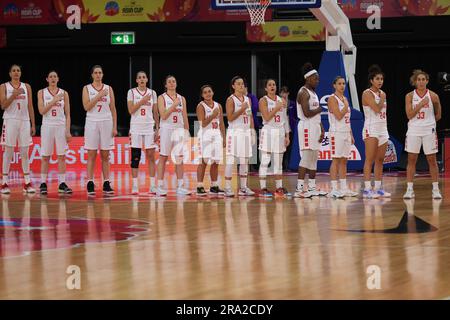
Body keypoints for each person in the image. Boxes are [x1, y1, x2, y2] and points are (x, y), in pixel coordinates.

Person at [403, 69, 442, 199]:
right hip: (413, 130)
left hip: (428, 130)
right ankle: (409, 189)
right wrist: (420, 105)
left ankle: (435, 189)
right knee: (411, 160)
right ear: (415, 82)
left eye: (423, 79)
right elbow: (409, 115)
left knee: (432, 160)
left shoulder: (434, 96)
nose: (421, 82)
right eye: (418, 80)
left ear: (427, 81)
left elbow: (438, 115)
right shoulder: (409, 96)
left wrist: (428, 122)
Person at [0, 64, 36, 194]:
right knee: (8, 151)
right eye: (14, 71)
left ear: (20, 73)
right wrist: (13, 95)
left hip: (25, 121)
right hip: (10, 120)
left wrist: (33, 124)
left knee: (25, 152)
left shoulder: (27, 87)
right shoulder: (4, 86)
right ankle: (4, 182)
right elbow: (3, 105)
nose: (16, 72)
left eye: (18, 70)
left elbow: (30, 106)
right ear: (10, 73)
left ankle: (27, 182)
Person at [82, 65, 117, 195]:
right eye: (95, 73)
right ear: (92, 75)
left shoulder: (109, 88)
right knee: (91, 154)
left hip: (106, 122)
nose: (98, 75)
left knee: (105, 155)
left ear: (102, 75)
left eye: (100, 73)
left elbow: (113, 108)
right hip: (92, 121)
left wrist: (114, 126)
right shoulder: (86, 88)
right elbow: (87, 106)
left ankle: (106, 182)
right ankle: (90, 182)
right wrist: (99, 95)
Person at [294, 63, 327, 198]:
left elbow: (316, 116)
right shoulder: (303, 92)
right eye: (315, 78)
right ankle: (300, 188)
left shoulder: (313, 93)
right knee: (306, 157)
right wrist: (320, 109)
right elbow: (307, 113)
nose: (317, 81)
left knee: (314, 158)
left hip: (315, 126)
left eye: (318, 78)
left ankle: (312, 187)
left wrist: (322, 129)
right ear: (308, 78)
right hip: (306, 126)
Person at [38, 70, 72, 194]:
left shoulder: (64, 93)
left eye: (55, 76)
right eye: (50, 77)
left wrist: (68, 131)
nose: (53, 78)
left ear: (58, 79)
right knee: (45, 156)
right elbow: (41, 111)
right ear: (47, 79)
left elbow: (68, 114)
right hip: (47, 126)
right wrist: (53, 100)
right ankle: (43, 183)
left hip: (60, 126)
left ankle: (62, 183)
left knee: (61, 156)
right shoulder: (41, 92)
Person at [156, 75, 191, 196]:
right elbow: (163, 115)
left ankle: (180, 186)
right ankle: (159, 186)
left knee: (179, 158)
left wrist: (187, 131)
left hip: (179, 129)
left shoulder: (182, 98)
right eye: (169, 82)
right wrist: (173, 105)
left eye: (173, 81)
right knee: (163, 157)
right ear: (165, 85)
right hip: (166, 129)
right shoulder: (161, 98)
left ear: (176, 84)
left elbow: (185, 116)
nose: (171, 83)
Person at [361, 65, 391, 199]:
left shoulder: (382, 93)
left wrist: (383, 97)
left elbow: (383, 113)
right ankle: (367, 189)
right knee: (370, 159)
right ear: (372, 80)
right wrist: (383, 98)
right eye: (377, 79)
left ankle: (378, 188)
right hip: (371, 128)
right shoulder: (367, 93)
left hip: (382, 128)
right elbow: (377, 109)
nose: (380, 81)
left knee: (380, 160)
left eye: (382, 79)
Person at [258, 78, 291, 197]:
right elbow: (266, 117)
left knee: (278, 162)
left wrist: (287, 135)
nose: (272, 86)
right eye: (270, 85)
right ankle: (263, 188)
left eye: (274, 84)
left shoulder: (281, 100)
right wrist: (276, 108)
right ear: (266, 88)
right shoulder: (263, 100)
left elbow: (285, 119)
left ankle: (279, 187)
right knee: (265, 161)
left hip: (280, 132)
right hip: (268, 131)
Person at [127, 71, 159, 195]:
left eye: (143, 77)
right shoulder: (131, 92)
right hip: (135, 127)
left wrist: (158, 128)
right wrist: (142, 100)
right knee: (135, 157)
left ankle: (152, 185)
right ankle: (135, 185)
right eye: (139, 77)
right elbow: (131, 110)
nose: (141, 79)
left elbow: (155, 112)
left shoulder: (153, 93)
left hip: (149, 126)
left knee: (151, 156)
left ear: (147, 79)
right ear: (136, 80)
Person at [224, 76, 256, 197]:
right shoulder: (230, 99)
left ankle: (243, 187)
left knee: (245, 160)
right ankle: (227, 187)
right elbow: (230, 118)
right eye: (238, 84)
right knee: (231, 160)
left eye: (242, 84)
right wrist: (241, 108)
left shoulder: (247, 99)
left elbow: (250, 116)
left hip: (245, 132)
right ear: (233, 86)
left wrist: (252, 131)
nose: (241, 86)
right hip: (234, 132)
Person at [327, 76, 358, 198]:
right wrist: (345, 106)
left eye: (344, 83)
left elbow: (347, 120)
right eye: (339, 83)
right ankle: (334, 189)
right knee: (336, 160)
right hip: (336, 133)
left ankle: (344, 188)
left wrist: (351, 134)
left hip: (345, 132)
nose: (342, 86)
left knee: (344, 160)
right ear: (334, 85)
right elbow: (339, 115)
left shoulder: (344, 98)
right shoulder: (332, 99)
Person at [196, 85, 226, 196]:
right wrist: (213, 115)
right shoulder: (201, 106)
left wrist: (223, 137)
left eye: (209, 91)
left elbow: (222, 122)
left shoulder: (218, 105)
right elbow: (203, 123)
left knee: (215, 162)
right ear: (202, 95)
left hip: (216, 135)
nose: (208, 94)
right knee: (203, 162)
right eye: (205, 92)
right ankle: (199, 186)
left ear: (213, 92)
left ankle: (214, 186)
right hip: (205, 136)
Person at [280, 86, 297, 171]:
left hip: (290, 127)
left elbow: (295, 115)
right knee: (282, 148)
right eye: (282, 92)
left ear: (288, 93)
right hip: (281, 127)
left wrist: (293, 120)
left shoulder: (292, 103)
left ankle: (287, 166)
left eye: (285, 92)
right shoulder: (278, 103)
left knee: (289, 148)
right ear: (280, 94)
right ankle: (282, 165)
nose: (284, 94)